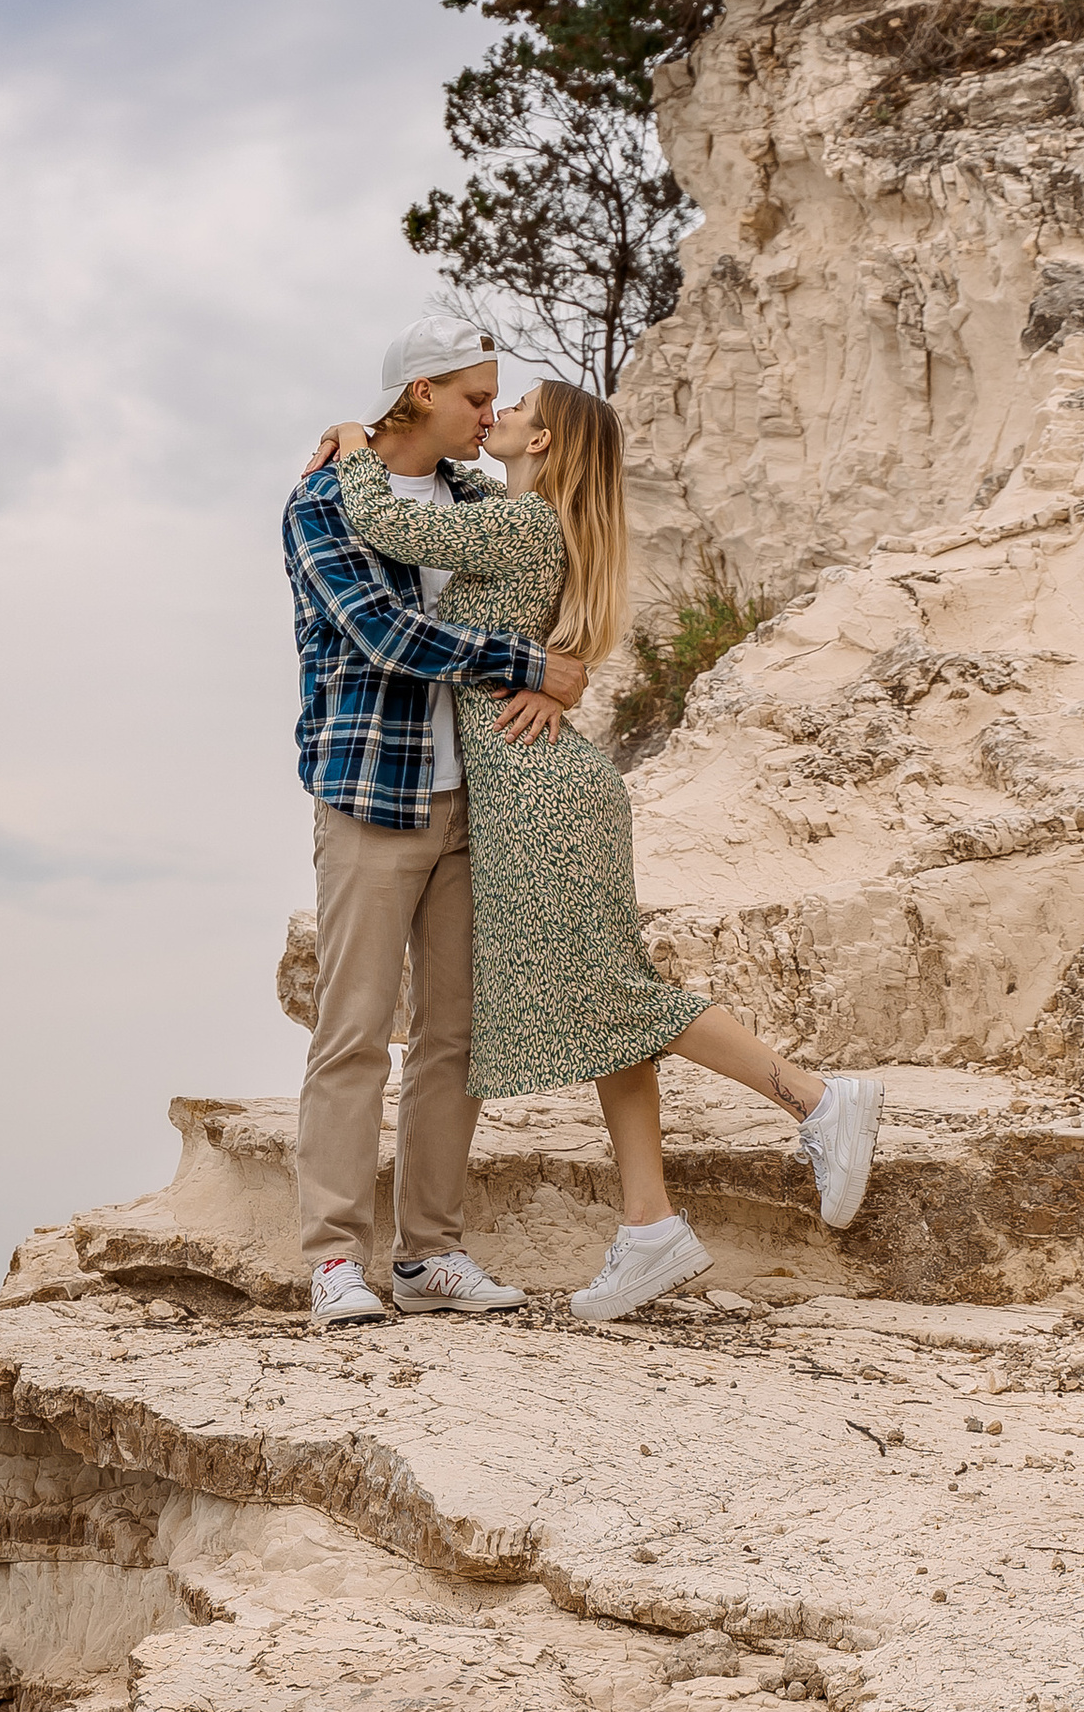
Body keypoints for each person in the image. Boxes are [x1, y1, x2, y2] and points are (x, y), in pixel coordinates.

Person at [329, 376, 883, 1324]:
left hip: (541, 799)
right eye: (486, 401)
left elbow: (395, 528)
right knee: (605, 1009)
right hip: (535, 788)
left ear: (542, 445)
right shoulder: (522, 517)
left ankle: (817, 1099)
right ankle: (649, 1228)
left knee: (612, 998)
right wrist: (550, 678)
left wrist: (350, 437)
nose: (495, 415)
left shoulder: (522, 524)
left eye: (514, 410)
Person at [284, 308, 595, 1332]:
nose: (487, 414)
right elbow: (385, 635)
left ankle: (428, 1253)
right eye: (473, 397)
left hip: (480, 798)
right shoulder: (322, 501)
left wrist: (558, 681)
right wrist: (525, 667)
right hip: (372, 793)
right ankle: (334, 1257)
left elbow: (546, 583)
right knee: (354, 1033)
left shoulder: (474, 495)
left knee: (453, 1036)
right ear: (421, 393)